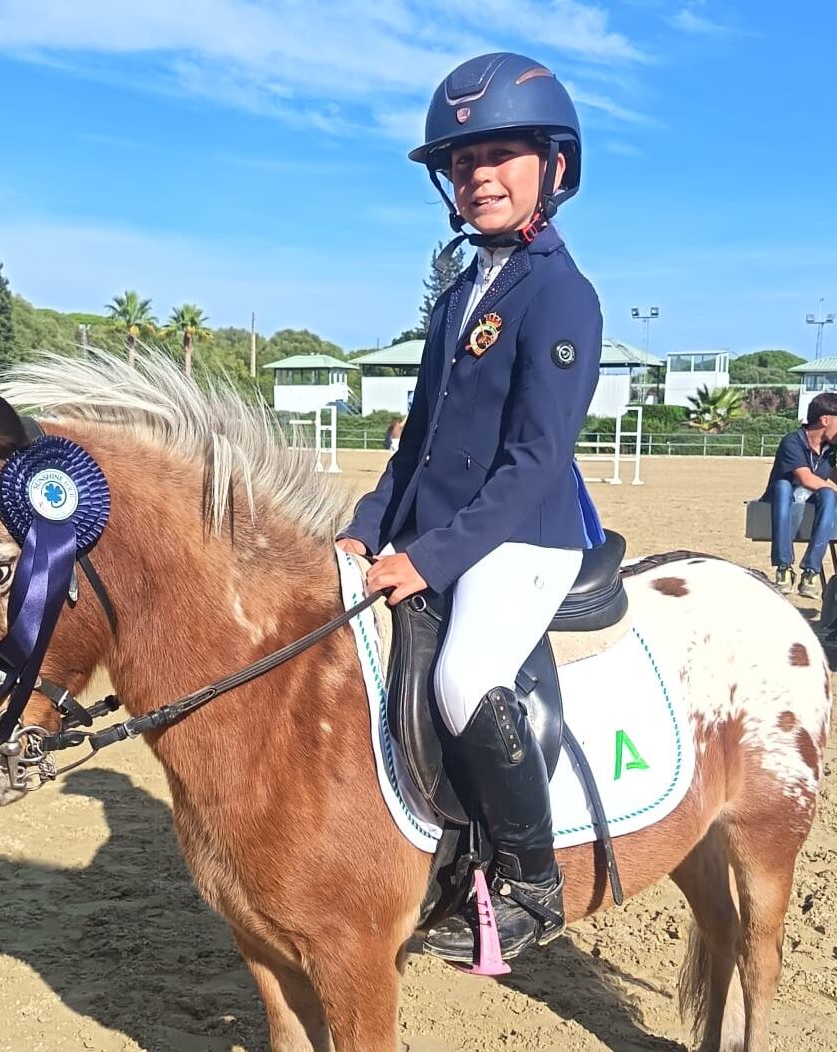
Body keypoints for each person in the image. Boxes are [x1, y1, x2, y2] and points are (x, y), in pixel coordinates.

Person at [334, 52, 603, 965]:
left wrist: (430, 558)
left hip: (521, 536)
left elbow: (535, 462)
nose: (479, 176)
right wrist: (365, 527)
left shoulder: (564, 296)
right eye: (462, 162)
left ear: (553, 168)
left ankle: (532, 882)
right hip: (436, 529)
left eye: (501, 156)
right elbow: (417, 442)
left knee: (462, 679)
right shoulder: (458, 294)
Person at [763, 392, 837, 599]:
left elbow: (830, 471)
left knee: (829, 495)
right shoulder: (792, 442)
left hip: (809, 499)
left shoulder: (830, 446)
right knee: (784, 486)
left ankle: (810, 572)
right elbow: (807, 479)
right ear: (825, 420)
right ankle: (783, 567)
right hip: (782, 501)